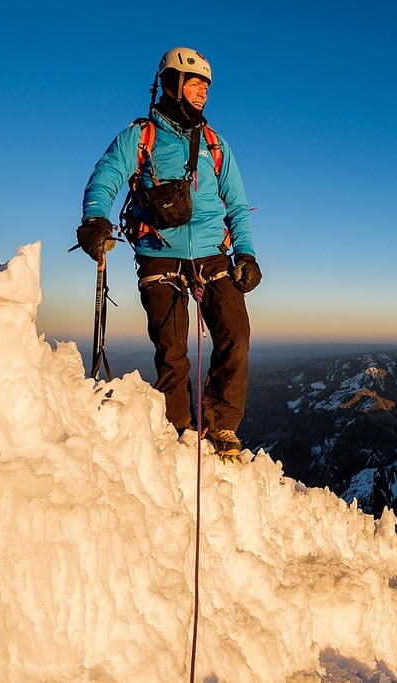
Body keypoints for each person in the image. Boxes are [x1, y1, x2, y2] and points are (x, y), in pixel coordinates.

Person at [76, 47, 260, 460]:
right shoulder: (142, 136)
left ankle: (221, 423)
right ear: (172, 84)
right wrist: (94, 219)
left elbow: (236, 204)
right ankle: (180, 428)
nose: (202, 93)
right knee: (172, 347)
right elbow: (106, 176)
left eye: (205, 87)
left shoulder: (215, 145)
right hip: (159, 253)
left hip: (213, 254)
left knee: (236, 334)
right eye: (194, 83)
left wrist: (245, 254)